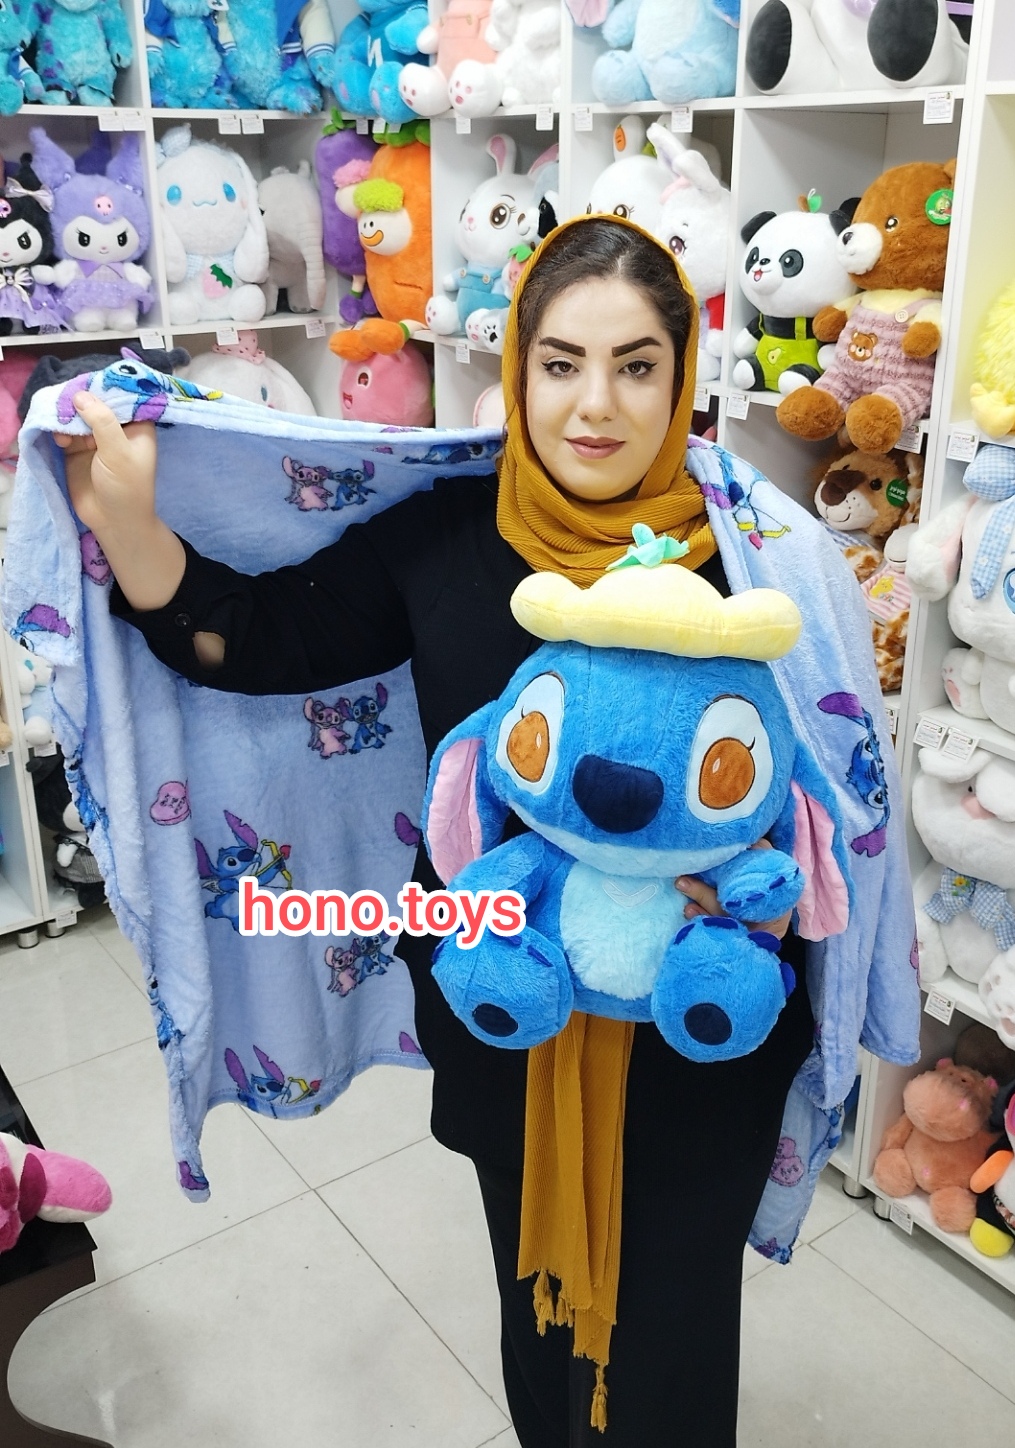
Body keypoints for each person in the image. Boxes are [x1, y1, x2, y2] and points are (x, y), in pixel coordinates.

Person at [57, 216, 816, 1447]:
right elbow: (262, 638)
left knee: (672, 1344)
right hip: (507, 1005)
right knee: (538, 1323)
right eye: (560, 362)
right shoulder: (451, 536)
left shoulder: (755, 555)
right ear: (516, 368)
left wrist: (753, 884)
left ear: (682, 378)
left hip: (698, 1026)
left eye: (635, 366)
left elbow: (826, 777)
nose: (595, 404)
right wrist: (131, 525)